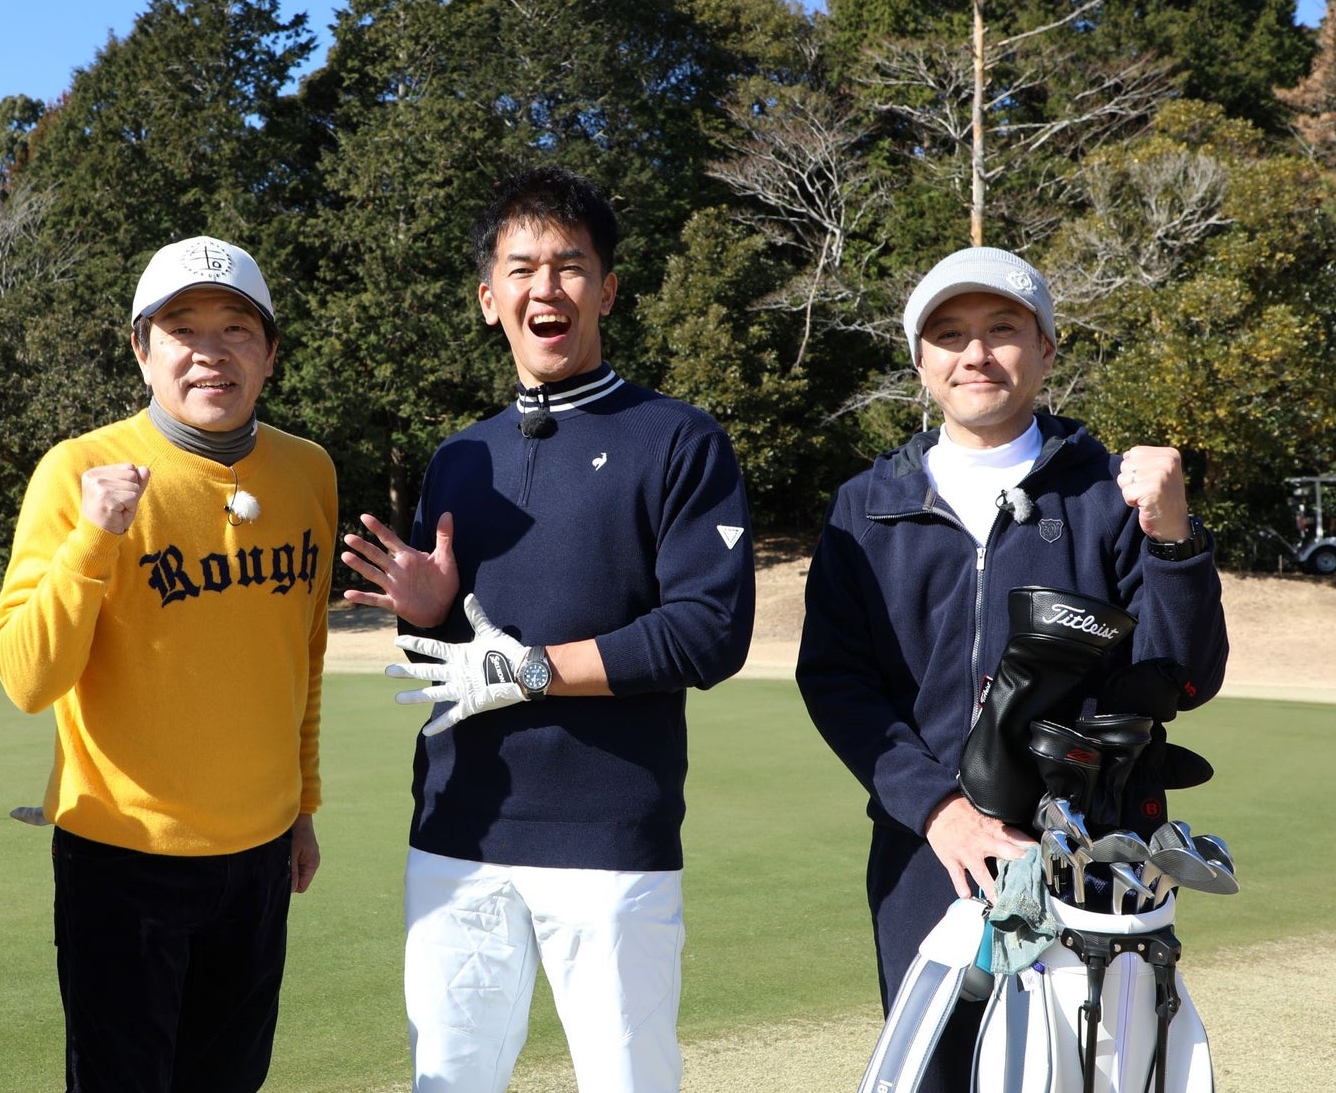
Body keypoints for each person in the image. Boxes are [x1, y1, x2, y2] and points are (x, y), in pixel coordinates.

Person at [342, 167, 756, 1092]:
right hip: (458, 833)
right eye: (521, 267)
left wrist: (532, 669)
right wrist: (424, 613)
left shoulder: (680, 439)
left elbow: (708, 631)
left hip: (610, 839)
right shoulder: (460, 457)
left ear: (607, 290)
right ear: (490, 300)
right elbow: (448, 662)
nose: (546, 287)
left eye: (570, 266)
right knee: (447, 1080)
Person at [794, 246, 1229, 1092]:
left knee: (1091, 1073)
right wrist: (937, 810)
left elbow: (1185, 675)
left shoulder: (1111, 495)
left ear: (1046, 349)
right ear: (920, 361)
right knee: (940, 1076)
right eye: (949, 334)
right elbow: (838, 684)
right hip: (933, 856)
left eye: (1003, 329)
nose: (976, 354)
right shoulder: (866, 505)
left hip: (1094, 852)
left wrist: (1172, 536)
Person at [0, 235, 336, 1092]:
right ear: (142, 351)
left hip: (258, 854)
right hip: (123, 857)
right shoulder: (78, 471)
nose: (210, 352)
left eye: (236, 329)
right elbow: (28, 677)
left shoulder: (309, 471)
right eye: (181, 330)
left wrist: (303, 804)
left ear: (270, 352)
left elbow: (304, 653)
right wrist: (93, 538)